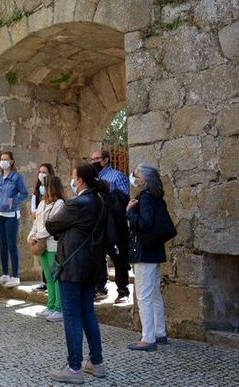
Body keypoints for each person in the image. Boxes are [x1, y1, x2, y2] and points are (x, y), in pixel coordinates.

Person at [45, 163, 108, 383]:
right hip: (91, 266)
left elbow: (52, 224)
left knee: (71, 316)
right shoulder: (99, 202)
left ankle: (74, 368)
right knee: (87, 313)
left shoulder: (78, 203)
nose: (72, 181)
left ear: (80, 180)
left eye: (73, 177)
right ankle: (96, 362)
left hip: (72, 267)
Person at [126, 163, 169, 351]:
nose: (133, 178)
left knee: (143, 296)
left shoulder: (145, 198)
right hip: (154, 250)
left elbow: (144, 224)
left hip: (144, 252)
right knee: (154, 295)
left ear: (143, 180)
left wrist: (129, 212)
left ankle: (148, 338)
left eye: (135, 175)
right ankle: (159, 333)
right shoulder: (156, 196)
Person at [91, 149, 131, 303]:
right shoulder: (92, 178)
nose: (94, 161)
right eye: (92, 159)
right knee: (98, 255)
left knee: (119, 257)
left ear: (106, 159)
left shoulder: (117, 176)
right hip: (98, 222)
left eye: (97, 159)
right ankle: (101, 288)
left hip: (114, 222)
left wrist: (108, 192)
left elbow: (124, 198)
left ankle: (123, 291)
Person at [27, 175, 65, 322]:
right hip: (41, 244)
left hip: (52, 245)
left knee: (56, 277)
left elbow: (53, 225)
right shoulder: (42, 203)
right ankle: (50, 305)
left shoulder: (59, 204)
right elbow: (36, 222)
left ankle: (59, 308)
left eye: (44, 185)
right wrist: (31, 236)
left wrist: (38, 236)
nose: (41, 188)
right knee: (48, 277)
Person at [0, 150, 29, 288]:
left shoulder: (17, 178)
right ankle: (5, 274)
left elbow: (24, 193)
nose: (3, 161)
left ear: (11, 162)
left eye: (6, 159)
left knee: (12, 245)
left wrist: (14, 201)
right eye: (1, 159)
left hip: (11, 216)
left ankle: (15, 276)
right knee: (2, 245)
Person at [30, 163, 56, 292]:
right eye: (40, 171)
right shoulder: (38, 193)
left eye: (44, 172)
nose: (41, 174)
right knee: (45, 265)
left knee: (53, 271)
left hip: (50, 237)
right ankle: (46, 286)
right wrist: (33, 236)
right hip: (40, 232)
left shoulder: (58, 202)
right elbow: (33, 213)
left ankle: (56, 305)